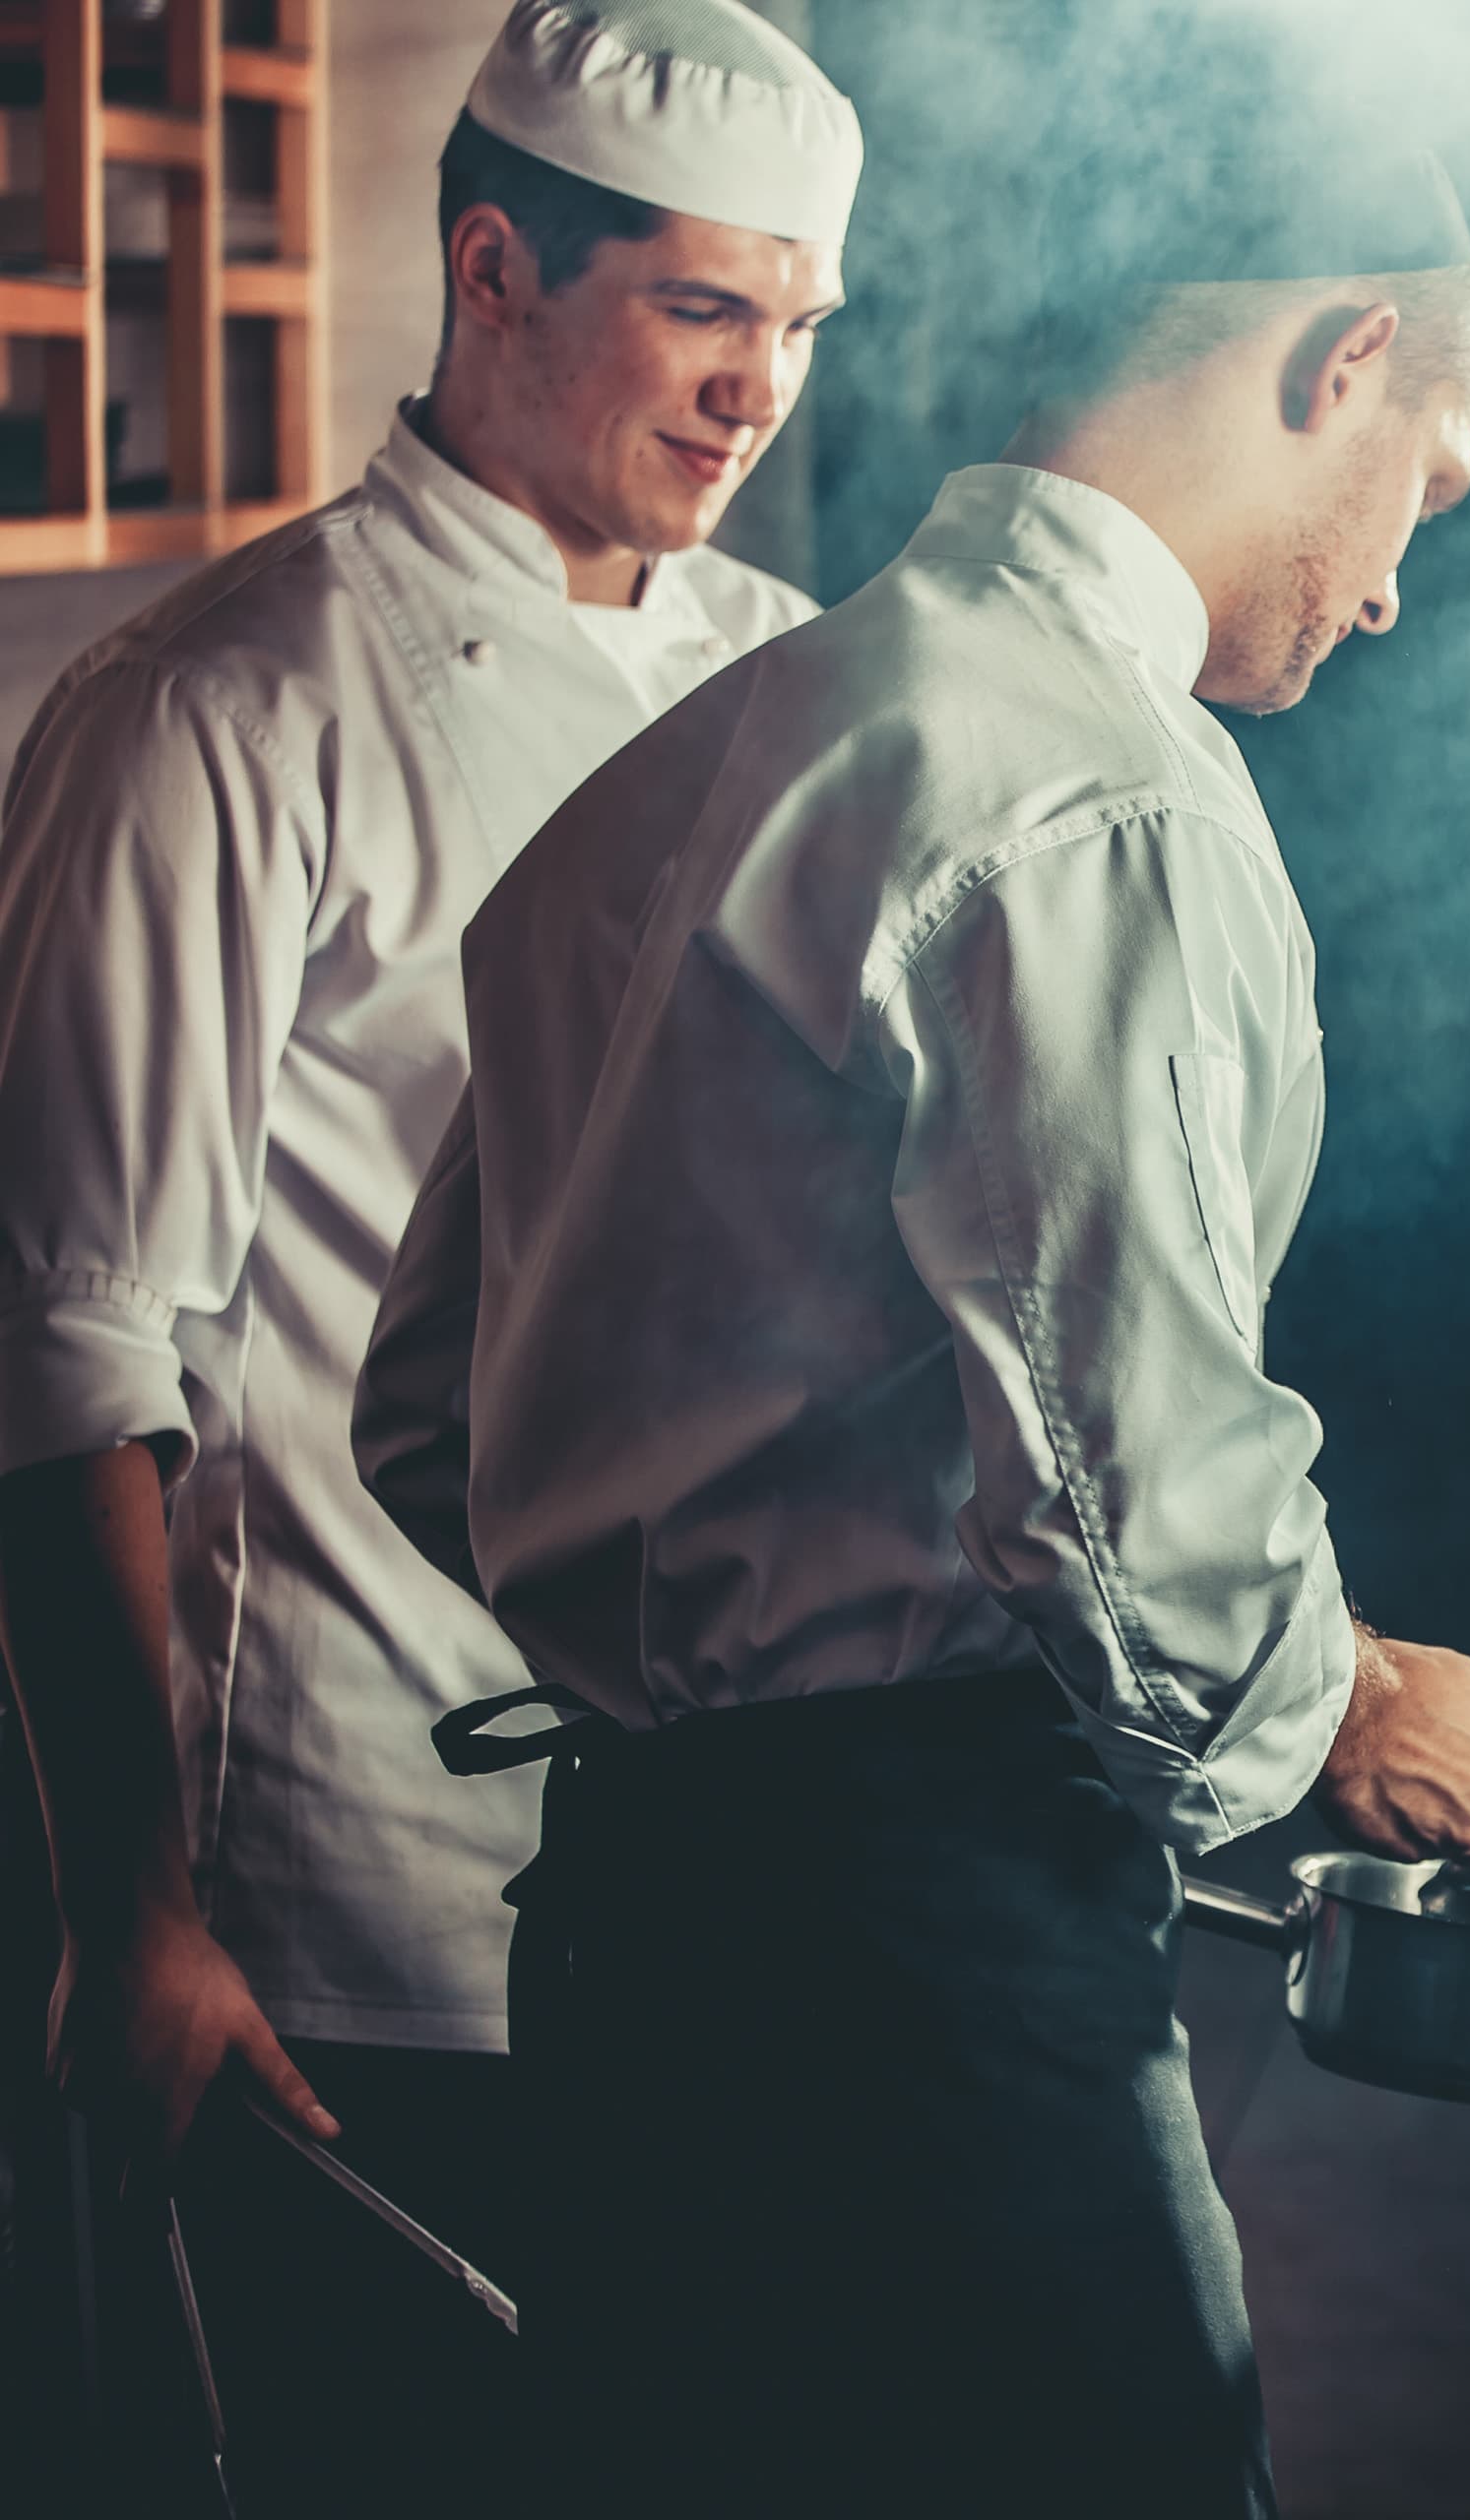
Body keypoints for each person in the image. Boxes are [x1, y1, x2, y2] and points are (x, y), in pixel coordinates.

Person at [350, 142, 1470, 2518]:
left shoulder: (708, 746)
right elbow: (1133, 1486)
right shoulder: (1089, 787)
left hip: (627, 1949)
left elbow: (423, 1411)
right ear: (1342, 362)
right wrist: (1344, 1699)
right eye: (1423, 482)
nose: (1397, 585)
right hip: (920, 1987)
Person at [0, 1, 854, 2502]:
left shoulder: (781, 669)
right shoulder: (217, 708)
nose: (760, 390)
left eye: (799, 323)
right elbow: (66, 1342)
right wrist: (134, 1903)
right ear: (492, 267)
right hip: (348, 1879)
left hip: (711, 1860)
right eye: (702, 311)